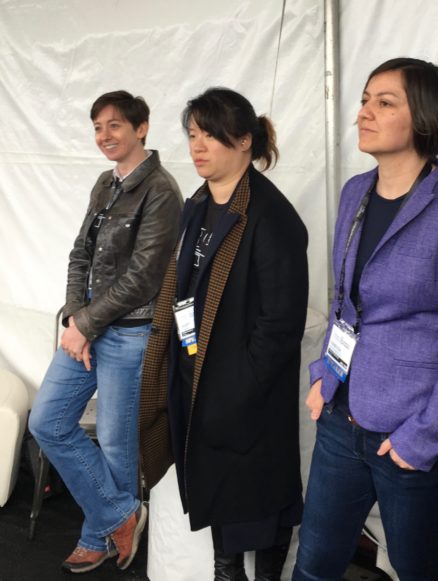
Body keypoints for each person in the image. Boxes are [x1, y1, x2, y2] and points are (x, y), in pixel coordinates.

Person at [292, 58, 438, 581]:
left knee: (415, 568)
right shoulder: (354, 194)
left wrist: (426, 435)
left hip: (413, 431)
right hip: (342, 417)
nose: (364, 112)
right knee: (316, 562)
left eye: (384, 102)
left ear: (426, 118)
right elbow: (347, 302)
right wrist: (324, 373)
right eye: (365, 99)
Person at [138, 87, 308, 581]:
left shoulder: (271, 217)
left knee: (258, 498)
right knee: (217, 498)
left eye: (211, 135)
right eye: (193, 134)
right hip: (198, 375)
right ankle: (224, 571)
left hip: (243, 393)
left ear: (244, 141)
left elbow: (279, 327)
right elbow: (184, 292)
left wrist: (235, 391)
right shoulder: (197, 205)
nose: (198, 146)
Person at [28, 91, 182, 573]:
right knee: (47, 422)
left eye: (114, 125)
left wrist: (88, 324)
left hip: (132, 334)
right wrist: (76, 319)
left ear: (142, 128)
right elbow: (81, 254)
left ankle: (98, 535)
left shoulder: (162, 190)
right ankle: (121, 514)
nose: (104, 136)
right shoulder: (104, 182)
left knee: (117, 446)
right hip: (88, 330)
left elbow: (144, 276)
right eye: (97, 127)